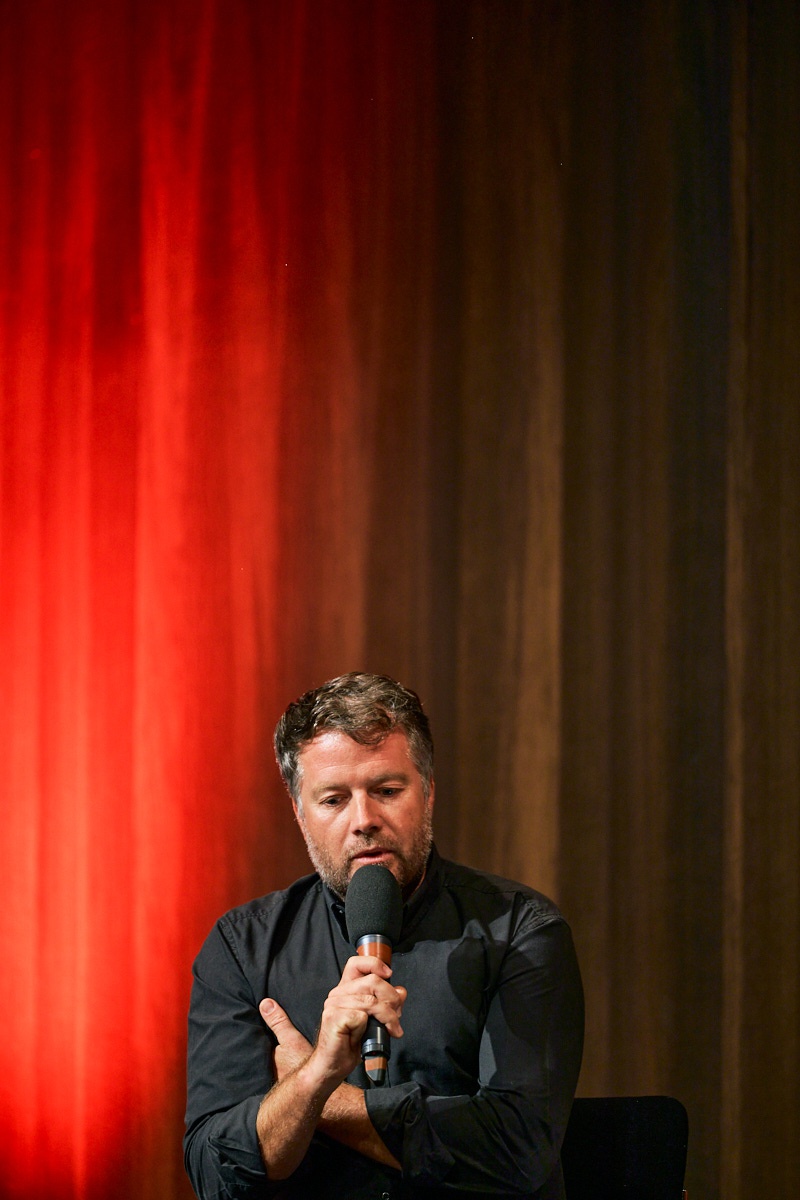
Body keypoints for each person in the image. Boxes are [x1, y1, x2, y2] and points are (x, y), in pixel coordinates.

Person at [184, 672, 584, 1200]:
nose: (364, 820)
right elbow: (217, 1176)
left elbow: (518, 1151)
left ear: (429, 791)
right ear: (300, 813)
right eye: (333, 800)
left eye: (387, 791)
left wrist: (321, 1100)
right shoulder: (243, 948)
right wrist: (319, 1073)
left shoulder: (520, 932)